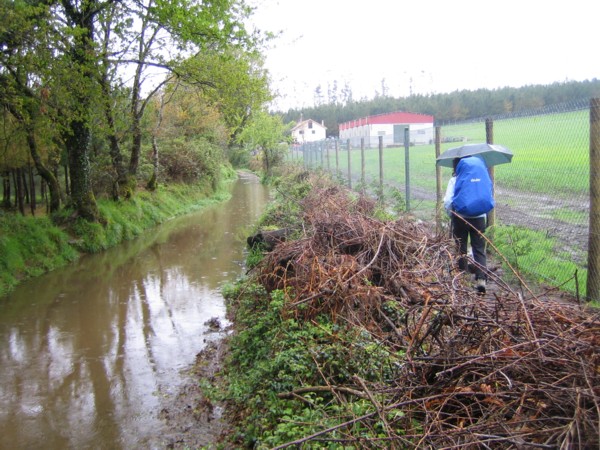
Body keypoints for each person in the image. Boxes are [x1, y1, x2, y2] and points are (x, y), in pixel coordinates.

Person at [443, 156, 494, 294]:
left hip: (460, 217)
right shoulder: (482, 178)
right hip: (479, 218)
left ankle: (463, 279)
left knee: (461, 248)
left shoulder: (455, 179)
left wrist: (451, 214)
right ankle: (481, 279)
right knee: (479, 248)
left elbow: (448, 200)